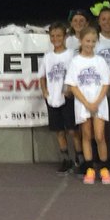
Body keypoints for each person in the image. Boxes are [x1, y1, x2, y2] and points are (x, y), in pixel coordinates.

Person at [65, 27, 110, 185]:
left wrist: (96, 102)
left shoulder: (100, 61)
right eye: (87, 41)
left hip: (99, 103)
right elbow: (72, 85)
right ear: (81, 40)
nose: (90, 44)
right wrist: (86, 103)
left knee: (99, 136)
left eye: (93, 41)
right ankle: (89, 168)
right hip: (83, 103)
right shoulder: (75, 61)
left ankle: (104, 168)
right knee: (86, 135)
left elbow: (106, 83)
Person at [41, 23, 77, 175]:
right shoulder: (47, 57)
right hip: (53, 98)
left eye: (59, 36)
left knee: (73, 131)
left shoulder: (71, 55)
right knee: (59, 131)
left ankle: (80, 159)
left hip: (67, 97)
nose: (56, 39)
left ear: (65, 37)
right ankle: (66, 159)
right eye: (53, 36)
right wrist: (45, 91)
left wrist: (69, 90)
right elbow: (42, 76)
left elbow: (75, 75)